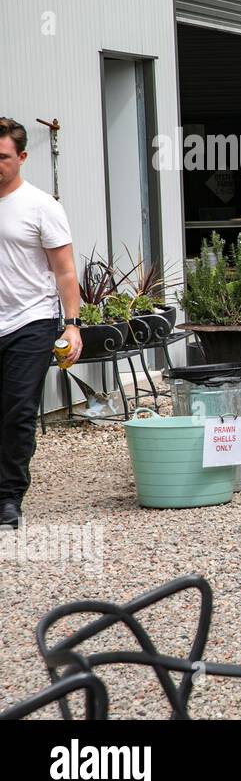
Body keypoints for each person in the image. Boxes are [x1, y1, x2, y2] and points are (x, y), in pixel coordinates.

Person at [0, 117, 82, 529]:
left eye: (2, 157)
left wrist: (72, 324)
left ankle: (8, 498)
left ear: (22, 157)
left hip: (30, 320)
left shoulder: (40, 206)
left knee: (17, 410)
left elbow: (65, 271)